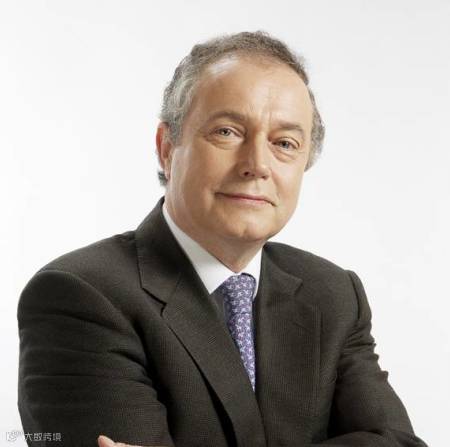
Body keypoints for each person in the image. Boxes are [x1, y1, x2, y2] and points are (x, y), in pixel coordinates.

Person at [17, 31, 428, 447]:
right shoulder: (80, 296)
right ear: (167, 148)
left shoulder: (333, 294)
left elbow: (398, 442)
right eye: (227, 132)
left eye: (284, 143)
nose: (257, 165)